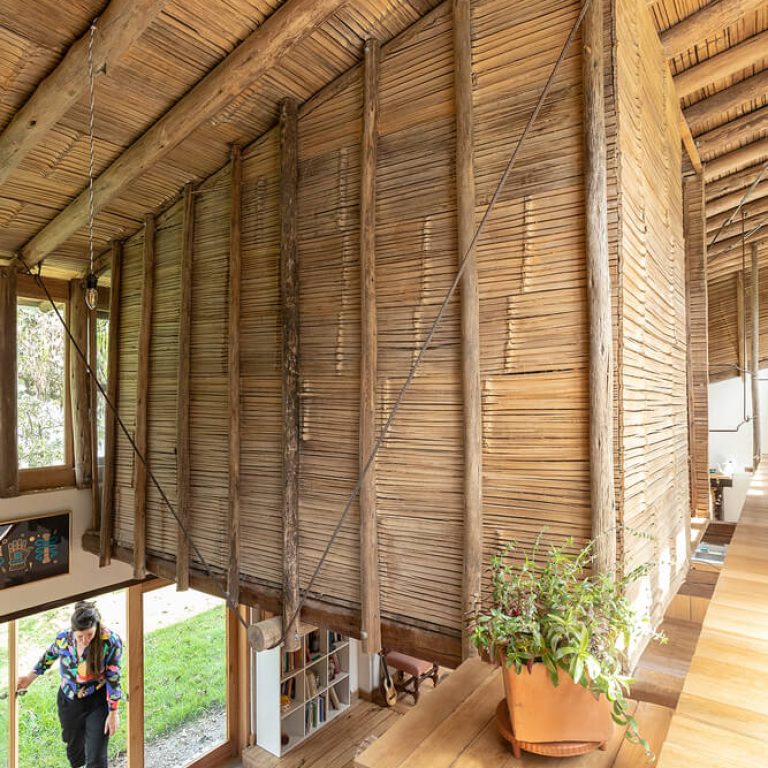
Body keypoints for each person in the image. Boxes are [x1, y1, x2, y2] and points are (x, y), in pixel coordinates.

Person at [16, 600, 123, 768]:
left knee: (96, 759)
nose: (85, 639)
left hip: (97, 701)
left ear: (96, 626)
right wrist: (29, 678)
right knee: (75, 753)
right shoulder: (63, 639)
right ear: (73, 631)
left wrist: (113, 712)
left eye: (89, 634)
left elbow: (113, 677)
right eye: (80, 636)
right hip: (69, 701)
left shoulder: (110, 641)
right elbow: (48, 657)